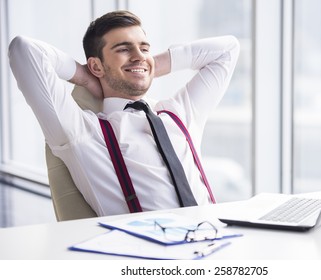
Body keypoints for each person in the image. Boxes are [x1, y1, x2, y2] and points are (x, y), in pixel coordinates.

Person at [8, 10, 240, 216]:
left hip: (215, 239)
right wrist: (86, 77)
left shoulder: (179, 113)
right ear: (96, 65)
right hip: (147, 258)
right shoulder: (83, 132)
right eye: (123, 49)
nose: (139, 54)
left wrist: (147, 66)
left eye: (144, 47)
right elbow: (24, 50)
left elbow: (228, 50)